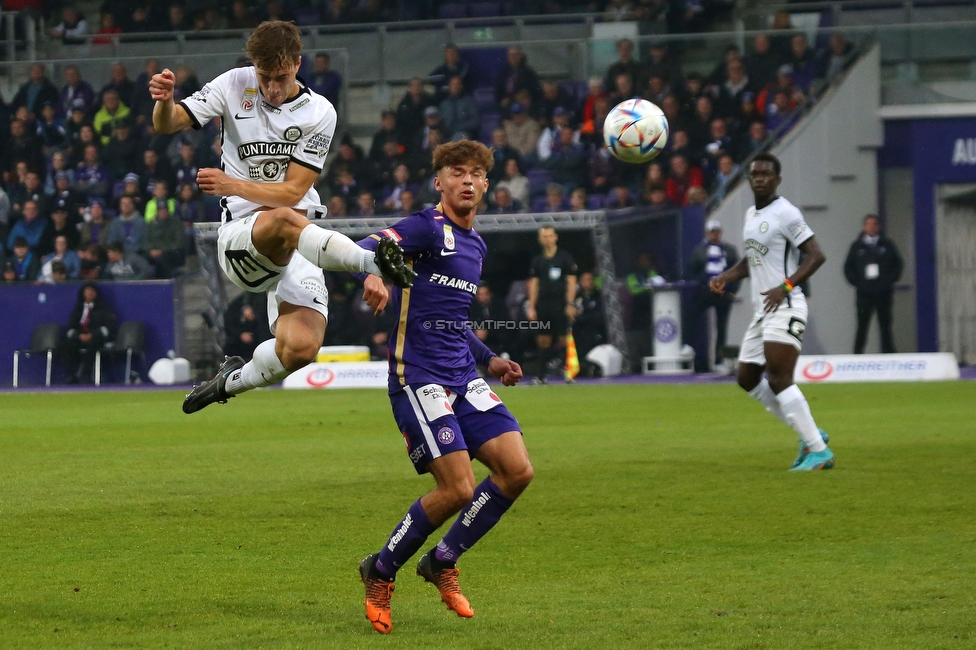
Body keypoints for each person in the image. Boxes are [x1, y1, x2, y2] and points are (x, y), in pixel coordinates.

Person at [149, 20, 415, 414]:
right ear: (253, 66)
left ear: (298, 64)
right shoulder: (233, 84)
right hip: (243, 241)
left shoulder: (320, 112)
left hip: (298, 237)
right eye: (264, 76)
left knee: (301, 348)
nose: (272, 87)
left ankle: (229, 382)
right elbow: (167, 124)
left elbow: (294, 190)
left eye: (282, 77)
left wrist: (233, 184)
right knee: (286, 219)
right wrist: (165, 101)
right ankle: (373, 260)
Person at [356, 140, 531, 635]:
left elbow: (454, 320)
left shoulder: (477, 246)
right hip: (419, 377)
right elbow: (370, 245)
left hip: (464, 375)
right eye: (457, 172)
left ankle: (443, 560)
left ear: (487, 185)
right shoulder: (424, 227)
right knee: (457, 487)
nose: (468, 180)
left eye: (477, 173)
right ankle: (381, 570)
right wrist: (375, 275)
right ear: (439, 181)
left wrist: (491, 359)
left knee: (516, 471)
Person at [709, 152, 835, 471]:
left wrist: (787, 286)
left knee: (780, 378)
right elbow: (752, 260)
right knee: (747, 378)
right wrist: (726, 275)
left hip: (786, 305)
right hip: (762, 310)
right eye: (755, 174)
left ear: (777, 180)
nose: (760, 179)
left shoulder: (786, 213)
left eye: (766, 174)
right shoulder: (752, 213)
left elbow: (817, 255)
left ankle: (819, 451)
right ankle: (809, 434)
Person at [843, 214, 903, 354]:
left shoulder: (887, 245)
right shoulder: (857, 246)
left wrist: (888, 282)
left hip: (883, 293)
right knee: (862, 324)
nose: (871, 227)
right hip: (864, 293)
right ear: (864, 227)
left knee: (885, 325)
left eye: (874, 224)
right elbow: (848, 268)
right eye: (869, 224)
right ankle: (858, 354)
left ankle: (889, 353)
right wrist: (858, 283)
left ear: (878, 226)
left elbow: (898, 265)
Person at [526, 226, 578, 383]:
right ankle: (542, 376)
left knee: (564, 338)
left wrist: (570, 303)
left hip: (560, 303)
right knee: (543, 339)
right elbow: (534, 285)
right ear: (540, 239)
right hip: (543, 304)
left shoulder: (565, 258)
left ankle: (568, 373)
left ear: (555, 237)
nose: (547, 239)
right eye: (544, 236)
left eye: (549, 236)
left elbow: (571, 282)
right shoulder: (537, 261)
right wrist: (532, 307)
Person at [686, 220, 739, 371]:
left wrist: (732, 290)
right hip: (705, 292)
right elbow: (692, 270)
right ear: (707, 233)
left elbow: (737, 271)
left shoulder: (729, 249)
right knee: (691, 317)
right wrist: (700, 284)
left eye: (717, 232)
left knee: (721, 327)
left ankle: (719, 360)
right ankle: (691, 351)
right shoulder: (699, 250)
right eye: (712, 232)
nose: (714, 235)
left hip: (723, 293)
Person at [62, 282, 116, 384]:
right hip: (80, 338)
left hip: (96, 338)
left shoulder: (103, 307)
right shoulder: (78, 308)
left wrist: (92, 335)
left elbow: (108, 327)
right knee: (66, 346)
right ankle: (71, 375)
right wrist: (78, 335)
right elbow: (70, 327)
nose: (90, 293)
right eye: (87, 291)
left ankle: (86, 374)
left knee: (93, 346)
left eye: (92, 291)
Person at [223, 292, 272, 360]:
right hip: (240, 344)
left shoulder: (266, 302)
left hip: (261, 342)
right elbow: (228, 323)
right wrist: (240, 335)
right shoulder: (240, 303)